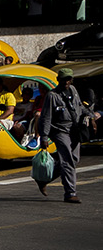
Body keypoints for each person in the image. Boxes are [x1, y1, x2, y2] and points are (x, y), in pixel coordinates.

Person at [37, 68, 92, 203]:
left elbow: (79, 107)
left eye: (68, 79)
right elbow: (46, 117)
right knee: (67, 160)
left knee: (74, 159)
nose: (66, 82)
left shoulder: (73, 90)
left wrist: (91, 115)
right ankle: (70, 193)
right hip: (60, 131)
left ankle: (44, 179)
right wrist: (44, 137)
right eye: (63, 79)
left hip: (74, 130)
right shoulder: (52, 96)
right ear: (58, 80)